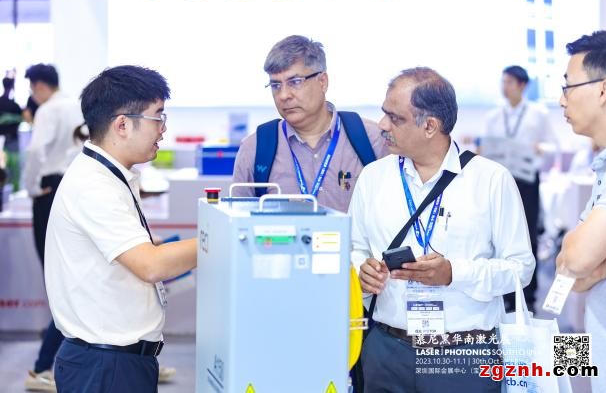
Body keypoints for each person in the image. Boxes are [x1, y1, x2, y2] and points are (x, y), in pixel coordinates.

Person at [350, 67, 535, 392]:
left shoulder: (491, 180)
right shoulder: (373, 177)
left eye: (395, 118)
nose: (382, 125)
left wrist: (453, 273)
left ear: (430, 126)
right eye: (384, 114)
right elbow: (355, 248)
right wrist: (361, 271)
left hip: (464, 355)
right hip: (386, 350)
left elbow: (521, 269)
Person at [42, 65, 197, 392]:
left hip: (113, 362)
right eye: (158, 116)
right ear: (123, 124)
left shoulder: (107, 175)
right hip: (105, 367)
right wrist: (223, 238)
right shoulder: (94, 185)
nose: (163, 129)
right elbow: (150, 265)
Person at [232, 35, 387, 213]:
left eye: (295, 82)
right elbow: (237, 220)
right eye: (275, 85)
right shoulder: (254, 148)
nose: (283, 95)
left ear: (322, 82)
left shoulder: (372, 139)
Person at [555, 30, 606, 393]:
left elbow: (574, 260)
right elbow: (569, 275)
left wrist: (594, 266)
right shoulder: (603, 165)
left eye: (568, 86)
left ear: (603, 90)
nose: (562, 100)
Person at [21, 64, 83, 392]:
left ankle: (42, 367)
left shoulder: (48, 110)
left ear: (39, 86)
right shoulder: (77, 105)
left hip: (48, 190)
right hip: (74, 187)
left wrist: (30, 187)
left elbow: (35, 151)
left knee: (59, 280)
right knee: (74, 278)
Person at [482, 65, 558, 313]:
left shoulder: (538, 114)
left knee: (527, 234)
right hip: (499, 181)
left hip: (526, 181)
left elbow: (553, 146)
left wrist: (540, 149)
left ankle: (528, 295)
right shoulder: (494, 115)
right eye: (503, 82)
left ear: (523, 85)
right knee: (497, 234)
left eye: (510, 82)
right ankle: (502, 292)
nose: (504, 87)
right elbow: (486, 147)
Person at [0, 74, 23, 191]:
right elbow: (22, 118)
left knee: (9, 168)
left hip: (8, 140)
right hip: (10, 141)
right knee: (13, 169)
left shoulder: (12, 105)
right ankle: (13, 191)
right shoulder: (15, 106)